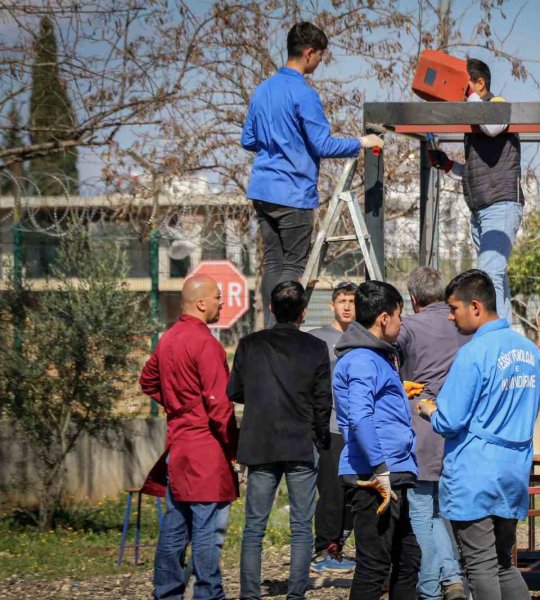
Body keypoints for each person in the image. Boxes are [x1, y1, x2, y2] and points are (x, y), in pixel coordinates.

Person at [241, 21, 383, 328]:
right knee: (293, 265)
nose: (320, 62)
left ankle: (270, 329)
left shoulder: (263, 89)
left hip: (263, 190)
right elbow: (321, 144)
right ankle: (285, 332)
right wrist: (361, 142)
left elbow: (248, 140)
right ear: (309, 53)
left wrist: (277, 141)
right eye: (320, 56)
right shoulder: (303, 94)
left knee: (273, 264)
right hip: (293, 192)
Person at [417, 269, 540, 600]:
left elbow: (450, 419)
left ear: (475, 306)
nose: (450, 316)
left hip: (475, 472)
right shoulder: (530, 351)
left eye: (453, 307)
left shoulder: (473, 353)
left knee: (481, 566)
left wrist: (428, 408)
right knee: (503, 563)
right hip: (513, 468)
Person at [227, 281, 332, 600]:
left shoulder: (249, 344)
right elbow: (322, 401)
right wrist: (320, 439)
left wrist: (260, 396)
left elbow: (234, 391)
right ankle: (296, 595)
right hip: (301, 443)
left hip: (260, 444)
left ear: (271, 308)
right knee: (301, 526)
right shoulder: (315, 347)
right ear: (303, 313)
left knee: (254, 527)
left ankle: (249, 594)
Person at [140, 275, 239, 600]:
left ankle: (166, 592)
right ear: (201, 303)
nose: (221, 303)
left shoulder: (168, 338)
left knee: (174, 526)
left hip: (177, 446)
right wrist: (234, 446)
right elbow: (219, 405)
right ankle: (209, 594)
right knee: (206, 530)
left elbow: (148, 379)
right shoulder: (206, 343)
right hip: (205, 450)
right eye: (217, 298)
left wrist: (177, 404)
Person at [332, 281, 420, 600]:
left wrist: (398, 393)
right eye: (399, 316)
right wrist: (380, 469)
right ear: (384, 317)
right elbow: (359, 417)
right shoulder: (362, 360)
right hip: (377, 478)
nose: (402, 323)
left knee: (408, 560)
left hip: (395, 471)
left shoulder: (379, 358)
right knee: (374, 566)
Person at [427, 58, 523, 322]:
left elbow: (492, 127)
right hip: (481, 207)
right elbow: (472, 171)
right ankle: (504, 334)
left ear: (480, 84)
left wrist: (470, 96)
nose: (458, 92)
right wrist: (447, 165)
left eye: (463, 85)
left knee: (488, 276)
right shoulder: (474, 121)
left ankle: (493, 341)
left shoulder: (497, 107)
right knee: (495, 277)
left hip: (501, 203)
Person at [396, 268, 468, 600]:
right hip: (458, 431)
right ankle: (452, 579)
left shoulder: (408, 327)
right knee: (443, 513)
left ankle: (431, 589)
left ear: (413, 298)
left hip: (421, 430)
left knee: (423, 514)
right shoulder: (463, 325)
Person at [308, 281, 358, 574]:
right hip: (331, 426)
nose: (347, 306)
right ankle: (325, 548)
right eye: (342, 300)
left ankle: (340, 544)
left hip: (360, 428)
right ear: (332, 305)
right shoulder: (318, 339)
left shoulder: (365, 338)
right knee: (331, 490)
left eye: (352, 300)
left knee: (357, 492)